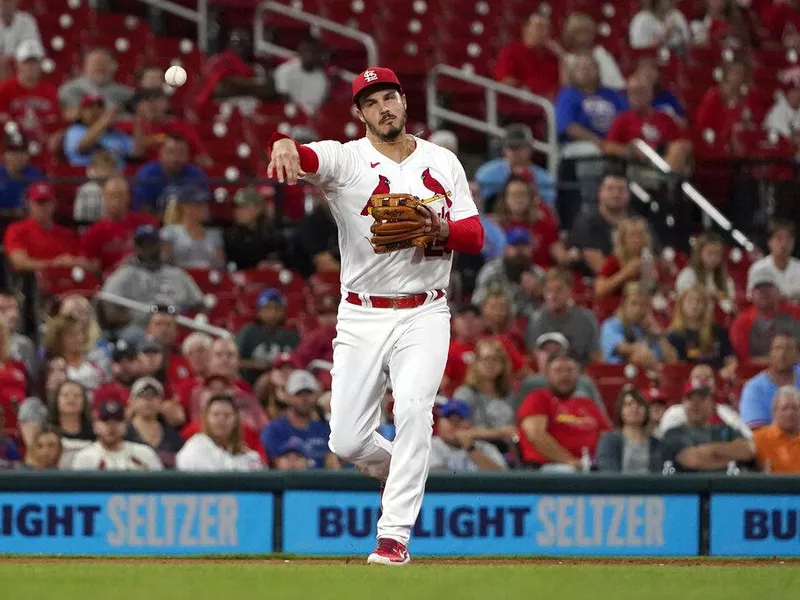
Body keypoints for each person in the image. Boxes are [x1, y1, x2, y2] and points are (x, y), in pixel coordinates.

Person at [267, 66, 484, 565]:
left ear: (404, 102)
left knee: (413, 411)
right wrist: (283, 142)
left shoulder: (441, 160)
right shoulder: (347, 159)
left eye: (389, 96)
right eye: (372, 101)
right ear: (359, 113)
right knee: (345, 438)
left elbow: (474, 236)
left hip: (425, 310)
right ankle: (408, 468)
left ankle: (394, 537)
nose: (383, 107)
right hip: (362, 313)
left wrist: (440, 228)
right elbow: (304, 155)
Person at [517, 351, 612, 470]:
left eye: (570, 370)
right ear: (546, 374)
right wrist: (569, 460)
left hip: (592, 465)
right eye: (558, 371)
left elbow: (608, 435)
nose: (565, 375)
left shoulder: (587, 403)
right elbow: (536, 435)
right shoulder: (537, 398)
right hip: (550, 467)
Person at [100, 225, 204, 330]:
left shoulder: (177, 273)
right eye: (143, 244)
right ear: (136, 247)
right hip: (139, 328)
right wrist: (136, 319)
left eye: (151, 243)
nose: (147, 248)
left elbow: (199, 303)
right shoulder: (124, 275)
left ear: (160, 245)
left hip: (178, 326)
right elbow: (109, 309)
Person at [568, 169, 656, 274]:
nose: (616, 194)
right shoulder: (586, 222)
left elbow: (655, 256)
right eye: (610, 189)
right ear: (600, 192)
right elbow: (600, 268)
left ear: (629, 194)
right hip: (595, 282)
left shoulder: (639, 222)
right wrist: (629, 272)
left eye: (621, 189)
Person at [660, 379, 755, 472]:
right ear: (683, 403)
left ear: (711, 403)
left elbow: (747, 451)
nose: (695, 404)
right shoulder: (674, 433)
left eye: (701, 399)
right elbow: (693, 460)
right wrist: (729, 455)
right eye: (690, 399)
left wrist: (709, 451)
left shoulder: (725, 429)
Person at [605, 73, 692, 174]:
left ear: (651, 93)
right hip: (637, 166)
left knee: (682, 147)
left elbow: (678, 143)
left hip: (662, 159)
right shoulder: (621, 120)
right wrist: (630, 150)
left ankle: (667, 177)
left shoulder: (665, 118)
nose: (637, 96)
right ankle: (667, 179)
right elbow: (608, 147)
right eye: (633, 92)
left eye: (641, 91)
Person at [260, 369, 339, 469]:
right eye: (299, 394)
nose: (305, 399)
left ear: (315, 395)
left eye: (308, 393)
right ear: (288, 396)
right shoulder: (274, 430)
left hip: (322, 483)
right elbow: (270, 464)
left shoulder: (325, 429)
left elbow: (334, 465)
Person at [512, 332, 605, 414]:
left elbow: (601, 416)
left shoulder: (585, 383)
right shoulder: (529, 385)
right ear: (536, 354)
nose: (551, 354)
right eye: (546, 350)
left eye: (557, 349)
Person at [492, 174, 573, 268]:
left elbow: (562, 257)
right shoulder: (495, 227)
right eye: (514, 195)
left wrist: (573, 255)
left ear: (530, 198)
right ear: (505, 199)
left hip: (540, 277)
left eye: (522, 194)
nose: (518, 199)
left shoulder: (545, 226)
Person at [525, 268, 602, 366]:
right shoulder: (536, 320)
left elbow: (596, 357)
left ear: (570, 291)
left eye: (558, 290)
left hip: (579, 376)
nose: (552, 296)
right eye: (548, 290)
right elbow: (534, 358)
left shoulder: (586, 318)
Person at [81, 175, 158, 273]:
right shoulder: (93, 233)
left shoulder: (145, 222)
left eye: (120, 195)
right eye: (112, 195)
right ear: (104, 197)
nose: (116, 200)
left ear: (128, 197)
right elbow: (95, 269)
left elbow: (158, 252)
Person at [117, 87, 211, 167]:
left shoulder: (182, 126)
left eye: (157, 99)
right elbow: (135, 155)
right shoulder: (129, 126)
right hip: (146, 174)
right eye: (148, 100)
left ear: (167, 104)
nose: (152, 105)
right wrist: (139, 122)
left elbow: (204, 159)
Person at [3, 182, 87, 272]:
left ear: (54, 204)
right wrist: (54, 264)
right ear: (29, 204)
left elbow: (84, 261)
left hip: (67, 282)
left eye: (47, 202)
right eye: (39, 203)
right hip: (34, 283)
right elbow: (20, 262)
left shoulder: (67, 233)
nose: (43, 207)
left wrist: (73, 262)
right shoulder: (16, 229)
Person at [452, 339, 518, 451]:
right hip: (476, 452)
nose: (490, 364)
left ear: (503, 364)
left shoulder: (510, 394)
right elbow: (458, 433)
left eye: (496, 359)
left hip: (509, 454)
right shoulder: (464, 394)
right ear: (476, 363)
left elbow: (516, 430)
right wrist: (501, 433)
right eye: (486, 359)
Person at [655, 364, 752, 440]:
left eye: (707, 377)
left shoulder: (725, 412)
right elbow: (664, 443)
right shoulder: (675, 412)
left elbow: (748, 438)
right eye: (697, 377)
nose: (702, 380)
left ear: (714, 384)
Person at [474, 123, 556, 209]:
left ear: (530, 149)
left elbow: (548, 210)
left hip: (531, 220)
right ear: (504, 149)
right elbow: (479, 206)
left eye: (521, 147)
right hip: (494, 219)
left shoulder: (545, 178)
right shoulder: (487, 173)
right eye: (512, 147)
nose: (516, 152)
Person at [176, 393, 264, 471]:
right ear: (206, 419)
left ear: (236, 420)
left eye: (227, 415)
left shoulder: (248, 455)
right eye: (216, 414)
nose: (221, 420)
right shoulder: (195, 448)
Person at [600, 283, 678, 368]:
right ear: (623, 305)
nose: (638, 309)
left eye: (643, 305)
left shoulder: (648, 330)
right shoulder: (611, 325)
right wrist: (645, 355)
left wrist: (658, 335)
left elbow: (672, 360)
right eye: (633, 303)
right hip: (618, 374)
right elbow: (623, 348)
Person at [730, 267, 800, 362]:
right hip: (756, 373)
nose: (764, 292)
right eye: (758, 288)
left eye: (768, 286)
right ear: (751, 294)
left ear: (778, 291)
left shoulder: (796, 313)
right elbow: (744, 360)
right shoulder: (741, 323)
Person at [72, 399, 163, 470]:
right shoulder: (85, 457)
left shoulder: (144, 453)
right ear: (95, 426)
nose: (111, 426)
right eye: (105, 421)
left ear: (126, 426)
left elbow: (161, 487)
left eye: (117, 421)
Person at [471, 227, 542, 316]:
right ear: (506, 249)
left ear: (530, 249)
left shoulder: (538, 274)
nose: (520, 251)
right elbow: (477, 302)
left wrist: (538, 292)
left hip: (529, 323)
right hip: (497, 322)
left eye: (524, 246)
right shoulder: (491, 272)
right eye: (515, 246)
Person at [667, 285, 737, 375]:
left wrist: (728, 370)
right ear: (681, 304)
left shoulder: (718, 331)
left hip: (717, 378)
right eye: (690, 301)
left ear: (705, 306)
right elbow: (677, 366)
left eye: (698, 301)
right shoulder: (674, 336)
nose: (694, 305)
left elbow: (731, 358)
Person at [236, 288, 300, 385]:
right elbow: (236, 361)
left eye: (277, 308)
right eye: (268, 308)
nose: (273, 313)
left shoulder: (292, 335)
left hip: (286, 382)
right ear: (259, 311)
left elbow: (299, 364)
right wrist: (257, 364)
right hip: (252, 381)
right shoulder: (249, 332)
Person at [132, 134, 209, 214]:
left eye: (181, 153)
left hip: (187, 222)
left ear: (187, 155)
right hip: (154, 222)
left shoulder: (196, 175)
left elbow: (203, 208)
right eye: (170, 152)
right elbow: (142, 207)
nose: (175, 158)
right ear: (161, 154)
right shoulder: (148, 173)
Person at [0, 40, 58, 145]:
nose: (30, 67)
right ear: (18, 63)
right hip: (13, 147)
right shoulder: (5, 88)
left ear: (41, 64)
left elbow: (55, 120)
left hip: (42, 145)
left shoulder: (51, 90)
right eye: (26, 62)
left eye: (34, 62)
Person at [493, 13, 562, 100]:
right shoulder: (511, 51)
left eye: (548, 29)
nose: (544, 32)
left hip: (549, 105)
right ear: (526, 29)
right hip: (522, 103)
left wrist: (561, 55)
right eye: (539, 27)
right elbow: (505, 82)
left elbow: (567, 84)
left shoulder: (553, 57)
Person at [695, 59, 761, 151]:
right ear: (726, 75)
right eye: (734, 73)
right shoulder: (713, 95)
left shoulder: (747, 97)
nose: (738, 77)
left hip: (741, 144)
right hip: (716, 143)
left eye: (741, 73)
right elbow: (702, 123)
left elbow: (752, 121)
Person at [739, 333, 800, 430]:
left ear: (797, 355)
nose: (782, 354)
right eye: (778, 348)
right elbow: (756, 431)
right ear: (770, 354)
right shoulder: (753, 388)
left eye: (788, 348)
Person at [63, 93, 143, 167]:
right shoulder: (74, 130)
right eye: (89, 107)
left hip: (117, 176)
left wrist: (137, 123)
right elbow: (83, 147)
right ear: (81, 112)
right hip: (84, 177)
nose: (95, 111)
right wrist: (105, 120)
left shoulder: (116, 133)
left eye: (99, 107)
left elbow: (137, 154)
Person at [595, 385, 662, 473]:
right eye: (628, 404)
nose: (634, 408)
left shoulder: (657, 444)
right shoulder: (609, 441)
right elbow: (608, 473)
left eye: (640, 404)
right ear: (620, 410)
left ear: (646, 410)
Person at [430, 398, 508, 472]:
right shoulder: (429, 446)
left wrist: (471, 449)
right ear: (439, 423)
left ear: (470, 424)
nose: (454, 424)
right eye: (449, 419)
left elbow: (504, 479)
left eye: (460, 419)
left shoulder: (486, 448)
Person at [160, 182, 224, 269]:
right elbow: (165, 264)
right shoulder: (170, 232)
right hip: (178, 279)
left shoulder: (214, 234)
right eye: (199, 205)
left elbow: (220, 267)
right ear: (185, 207)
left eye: (206, 204)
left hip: (207, 279)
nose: (206, 208)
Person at [595, 216, 661, 302]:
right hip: (617, 307)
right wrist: (625, 273)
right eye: (632, 235)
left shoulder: (649, 260)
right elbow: (599, 290)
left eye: (640, 235)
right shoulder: (614, 260)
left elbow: (654, 290)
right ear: (623, 239)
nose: (637, 240)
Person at [58, 48, 133, 122]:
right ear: (85, 66)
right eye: (95, 63)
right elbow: (73, 115)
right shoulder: (70, 89)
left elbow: (137, 116)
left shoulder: (126, 92)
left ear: (113, 66)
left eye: (104, 63)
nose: (99, 67)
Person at [223, 187, 289, 271]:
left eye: (242, 207)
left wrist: (275, 263)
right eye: (235, 207)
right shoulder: (230, 236)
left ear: (257, 209)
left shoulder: (272, 234)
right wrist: (255, 265)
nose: (237, 211)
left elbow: (285, 259)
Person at [124, 377, 183, 468]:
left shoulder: (173, 436)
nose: (148, 400)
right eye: (142, 395)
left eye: (154, 396)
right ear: (132, 401)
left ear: (161, 401)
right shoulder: (124, 434)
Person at [561, 13, 625, 89]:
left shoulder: (601, 52)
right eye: (579, 33)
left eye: (587, 32)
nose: (584, 38)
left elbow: (616, 81)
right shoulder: (568, 59)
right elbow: (566, 88)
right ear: (571, 36)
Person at [44, 314, 105, 392]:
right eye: (72, 335)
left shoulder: (93, 363)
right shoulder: (55, 367)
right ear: (60, 340)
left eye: (80, 333)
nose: (79, 338)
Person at [273, 35, 330, 116]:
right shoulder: (284, 71)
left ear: (318, 54)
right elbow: (283, 101)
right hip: (288, 116)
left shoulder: (322, 78)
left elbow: (320, 106)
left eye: (312, 51)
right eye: (306, 51)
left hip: (311, 119)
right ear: (299, 51)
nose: (309, 55)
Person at [747, 219, 800, 302]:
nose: (784, 244)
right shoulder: (758, 269)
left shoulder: (798, 267)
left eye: (788, 239)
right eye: (779, 239)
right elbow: (752, 301)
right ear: (769, 242)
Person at [752, 386, 800, 473]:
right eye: (784, 408)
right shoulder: (758, 438)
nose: (790, 413)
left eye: (795, 408)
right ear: (774, 411)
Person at [675, 233, 735, 300]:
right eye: (709, 253)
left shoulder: (725, 278)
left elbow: (730, 302)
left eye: (717, 253)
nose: (713, 258)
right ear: (699, 253)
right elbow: (683, 300)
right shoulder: (689, 274)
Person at [0, 128, 41, 216]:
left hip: (27, 225)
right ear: (5, 154)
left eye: (22, 151)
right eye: (13, 151)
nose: (18, 156)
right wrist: (11, 213)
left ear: (28, 155)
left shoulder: (36, 175)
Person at [290, 294, 337, 369]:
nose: (328, 318)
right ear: (318, 317)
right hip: (320, 377)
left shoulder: (350, 335)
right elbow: (299, 359)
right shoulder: (314, 337)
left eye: (332, 313)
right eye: (323, 314)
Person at [72, 149, 117, 223]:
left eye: (109, 168)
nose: (105, 172)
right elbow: (79, 217)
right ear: (93, 170)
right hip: (91, 227)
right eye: (102, 168)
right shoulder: (85, 190)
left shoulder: (118, 189)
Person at [0, 0, 41, 77]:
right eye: (3, 1)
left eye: (9, 1)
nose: (5, 5)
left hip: (21, 67)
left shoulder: (27, 21)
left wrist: (10, 59)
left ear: (16, 2)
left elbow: (33, 50)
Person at [0, 289, 35, 373]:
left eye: (15, 308)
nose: (13, 314)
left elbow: (30, 379)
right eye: (4, 309)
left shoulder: (24, 344)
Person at [764, 75, 800, 141]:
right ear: (787, 93)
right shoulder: (778, 111)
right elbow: (787, 138)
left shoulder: (797, 108)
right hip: (775, 146)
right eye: (795, 91)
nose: (798, 94)